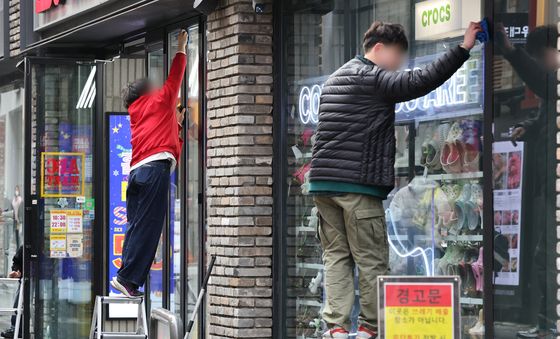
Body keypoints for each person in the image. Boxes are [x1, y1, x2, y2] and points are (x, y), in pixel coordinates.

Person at [309, 21, 482, 339]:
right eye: (397, 56)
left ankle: (335, 328)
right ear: (379, 49)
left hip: (325, 184)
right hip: (356, 184)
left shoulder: (337, 78)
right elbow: (418, 82)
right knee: (371, 256)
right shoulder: (371, 76)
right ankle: (369, 328)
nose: (399, 64)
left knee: (336, 256)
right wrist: (463, 49)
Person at [111, 30, 188, 298]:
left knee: (135, 225)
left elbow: (169, 143)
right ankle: (128, 279)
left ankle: (126, 276)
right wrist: (181, 46)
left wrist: (176, 127)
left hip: (136, 172)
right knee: (149, 226)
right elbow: (176, 75)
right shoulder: (160, 99)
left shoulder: (137, 111)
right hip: (154, 170)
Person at [497, 25, 560, 338]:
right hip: (549, 186)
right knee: (545, 255)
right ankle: (548, 322)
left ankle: (549, 324)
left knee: (546, 255)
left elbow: (547, 86)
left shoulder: (554, 80)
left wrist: (511, 52)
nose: (541, 65)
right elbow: (550, 114)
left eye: (539, 58)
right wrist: (529, 128)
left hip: (554, 187)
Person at [1, 246, 22, 339]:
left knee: (20, 304)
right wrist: (16, 271)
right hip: (27, 280)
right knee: (19, 304)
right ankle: (16, 329)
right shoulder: (26, 245)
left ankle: (17, 329)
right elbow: (17, 261)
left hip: (42, 280)